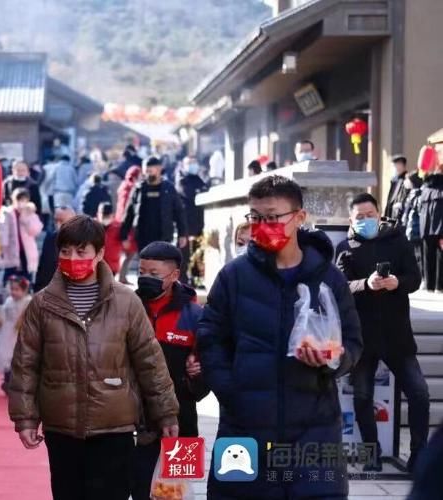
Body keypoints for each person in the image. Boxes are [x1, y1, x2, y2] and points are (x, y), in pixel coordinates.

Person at [198, 175, 363, 499]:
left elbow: (354, 342)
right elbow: (210, 338)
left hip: (314, 431)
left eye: (272, 217)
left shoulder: (329, 279)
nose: (262, 225)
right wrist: (232, 392)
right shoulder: (234, 276)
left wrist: (333, 359)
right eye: (255, 217)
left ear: (299, 217)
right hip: (245, 429)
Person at [8, 215, 180, 500]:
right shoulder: (42, 304)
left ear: (99, 253)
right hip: (62, 427)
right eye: (65, 251)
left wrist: (165, 411)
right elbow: (26, 364)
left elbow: (149, 360)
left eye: (81, 251)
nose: (72, 258)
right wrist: (25, 418)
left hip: (115, 425)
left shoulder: (126, 301)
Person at [335, 193, 428, 471]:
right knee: (362, 396)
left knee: (419, 393)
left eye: (370, 215)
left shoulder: (398, 240)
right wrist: (367, 284)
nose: (365, 220)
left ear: (380, 214)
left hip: (397, 335)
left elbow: (415, 278)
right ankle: (371, 455)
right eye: (359, 217)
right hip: (362, 338)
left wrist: (396, 282)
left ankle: (418, 455)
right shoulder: (345, 247)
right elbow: (341, 287)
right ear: (350, 220)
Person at [132, 242, 208, 500]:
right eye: (142, 272)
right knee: (140, 489)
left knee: (177, 492)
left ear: (174, 275)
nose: (146, 279)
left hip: (183, 419)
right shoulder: (128, 308)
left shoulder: (195, 315)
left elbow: (207, 375)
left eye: (154, 274)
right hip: (136, 421)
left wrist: (196, 377)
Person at [121, 156, 187, 255]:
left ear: (159, 169)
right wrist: (124, 235)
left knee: (161, 266)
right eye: (146, 171)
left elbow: (179, 212)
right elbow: (129, 212)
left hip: (163, 235)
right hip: (143, 237)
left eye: (150, 171)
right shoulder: (139, 189)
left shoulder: (168, 189)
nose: (148, 174)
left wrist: (182, 234)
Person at [0, 276, 31, 392]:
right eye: (12, 289)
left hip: (20, 332)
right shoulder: (8, 301)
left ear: (25, 290)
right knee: (6, 356)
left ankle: (17, 382)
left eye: (17, 290)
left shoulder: (27, 301)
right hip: (7, 331)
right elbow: (2, 315)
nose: (13, 292)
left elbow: (28, 317)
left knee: (18, 357)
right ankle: (7, 380)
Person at [0, 188, 44, 285]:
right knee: (10, 272)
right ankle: (8, 292)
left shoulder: (30, 213)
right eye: (19, 200)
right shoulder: (7, 212)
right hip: (11, 248)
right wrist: (2, 247)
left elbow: (36, 231)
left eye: (24, 200)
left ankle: (27, 295)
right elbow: (2, 230)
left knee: (27, 274)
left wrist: (26, 217)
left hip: (26, 249)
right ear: (14, 200)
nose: (21, 203)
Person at [177, 157, 208, 284]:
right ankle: (182, 280)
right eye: (189, 164)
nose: (193, 166)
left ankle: (196, 279)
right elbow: (190, 195)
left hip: (198, 222)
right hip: (186, 222)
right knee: (184, 253)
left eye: (194, 163)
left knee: (198, 251)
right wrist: (199, 191)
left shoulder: (198, 179)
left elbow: (205, 191)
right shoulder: (182, 180)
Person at [34, 206, 75, 293]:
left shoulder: (83, 241)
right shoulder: (50, 238)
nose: (58, 224)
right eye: (56, 220)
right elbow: (44, 266)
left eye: (62, 221)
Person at [419, 157, 443, 292]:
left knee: (428, 256)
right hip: (440, 227)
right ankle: (439, 286)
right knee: (440, 256)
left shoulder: (425, 189)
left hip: (426, 227)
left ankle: (429, 285)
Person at [115, 165, 142, 283]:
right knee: (130, 253)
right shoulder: (132, 188)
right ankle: (122, 277)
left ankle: (122, 277)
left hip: (121, 222)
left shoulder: (123, 187)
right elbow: (128, 209)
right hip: (128, 225)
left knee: (127, 253)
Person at [98, 202, 122, 275]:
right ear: (99, 214)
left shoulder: (118, 228)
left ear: (112, 215)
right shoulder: (93, 227)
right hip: (97, 265)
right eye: (103, 216)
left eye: (107, 216)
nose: (105, 218)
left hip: (112, 266)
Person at [384, 155, 410, 222]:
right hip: (391, 214)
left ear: (401, 165)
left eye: (395, 165)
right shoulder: (394, 180)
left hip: (399, 215)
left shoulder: (407, 180)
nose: (393, 168)